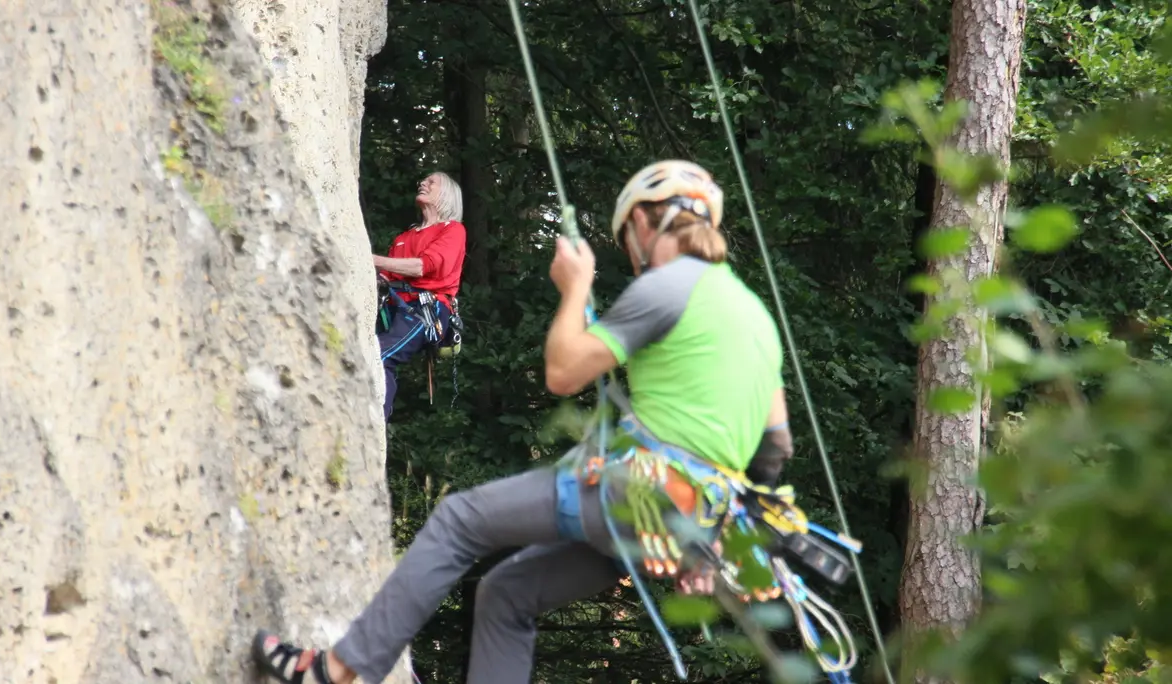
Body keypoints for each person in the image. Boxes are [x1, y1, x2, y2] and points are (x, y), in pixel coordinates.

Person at [249, 160, 795, 684]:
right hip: (691, 516)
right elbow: (775, 448)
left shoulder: (667, 285)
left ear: (645, 221)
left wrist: (576, 285)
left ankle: (335, 671)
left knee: (458, 521)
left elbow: (562, 373)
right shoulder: (756, 314)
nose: (631, 250)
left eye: (628, 233)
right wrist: (711, 539)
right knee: (507, 593)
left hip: (639, 492)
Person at [373, 171, 467, 421]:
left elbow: (423, 267)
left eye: (431, 182)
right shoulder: (404, 238)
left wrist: (369, 259)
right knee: (368, 353)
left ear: (446, 194)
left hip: (426, 311)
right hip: (395, 307)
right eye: (422, 181)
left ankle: (375, 423)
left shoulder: (452, 230)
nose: (422, 183)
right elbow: (390, 278)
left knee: (379, 355)